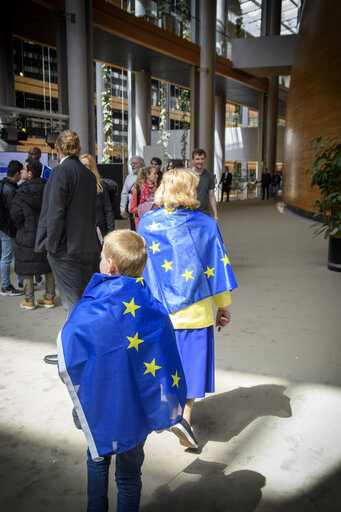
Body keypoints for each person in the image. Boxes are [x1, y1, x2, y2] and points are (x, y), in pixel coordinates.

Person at [58, 229, 186, 512]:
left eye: (102, 257)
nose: (100, 262)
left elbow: (71, 348)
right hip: (136, 412)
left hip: (99, 405)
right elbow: (163, 356)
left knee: (96, 457)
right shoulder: (153, 308)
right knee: (129, 475)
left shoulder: (90, 309)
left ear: (110, 266)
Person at [138, 169, 237, 449]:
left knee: (163, 364)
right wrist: (224, 307)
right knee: (191, 368)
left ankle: (167, 412)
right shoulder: (206, 225)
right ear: (188, 191)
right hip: (196, 313)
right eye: (194, 187)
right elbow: (216, 270)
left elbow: (138, 267)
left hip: (158, 312)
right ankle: (185, 418)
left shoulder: (146, 223)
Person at [35, 130, 99, 365]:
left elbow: (55, 213)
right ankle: (86, 351)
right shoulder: (88, 174)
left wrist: (51, 247)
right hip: (88, 246)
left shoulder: (60, 172)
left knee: (72, 304)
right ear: (79, 148)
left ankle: (73, 357)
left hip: (66, 249)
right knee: (84, 301)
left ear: (57, 149)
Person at [10, 158, 56, 310]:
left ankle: (29, 300)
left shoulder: (20, 193)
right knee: (48, 266)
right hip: (46, 233)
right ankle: (49, 298)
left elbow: (16, 215)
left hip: (26, 235)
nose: (21, 171)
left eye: (23, 169)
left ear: (30, 173)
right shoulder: (48, 188)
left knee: (27, 267)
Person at [0, 160, 24, 296]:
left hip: (4, 227)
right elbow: (14, 212)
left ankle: (18, 282)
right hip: (9, 228)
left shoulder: (3, 185)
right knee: (7, 257)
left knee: (9, 256)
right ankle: (6, 286)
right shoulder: (11, 190)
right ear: (17, 173)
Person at [80, 154, 115, 239]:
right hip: (82, 231)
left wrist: (111, 232)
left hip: (99, 229)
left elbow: (108, 210)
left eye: (86, 165)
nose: (83, 168)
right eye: (81, 165)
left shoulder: (101, 186)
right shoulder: (76, 186)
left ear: (92, 167)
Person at [27, 145, 44, 288]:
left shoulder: (22, 190)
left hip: (34, 223)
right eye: (30, 153)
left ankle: (36, 280)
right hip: (34, 223)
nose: (31, 156)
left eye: (33, 154)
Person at [192, 148, 218, 220]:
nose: (200, 161)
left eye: (202, 159)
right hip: (190, 212)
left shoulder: (209, 175)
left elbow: (211, 196)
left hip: (204, 212)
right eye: (197, 159)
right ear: (193, 160)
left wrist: (215, 214)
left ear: (205, 159)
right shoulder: (187, 175)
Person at [120, 156, 145, 230]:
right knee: (133, 229)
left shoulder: (146, 176)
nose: (133, 166)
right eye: (132, 164)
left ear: (141, 164)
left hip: (144, 208)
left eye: (135, 163)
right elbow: (124, 193)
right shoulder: (129, 177)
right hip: (132, 208)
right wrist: (122, 209)